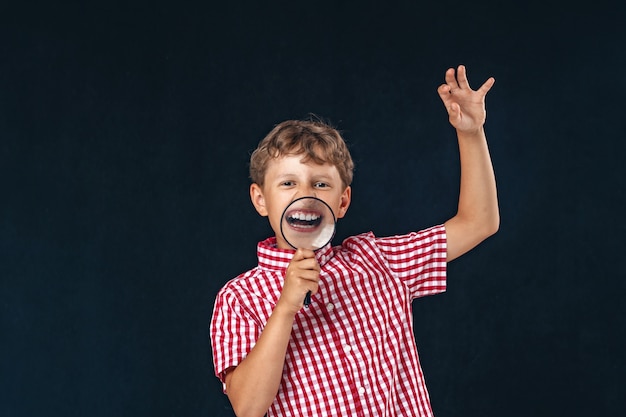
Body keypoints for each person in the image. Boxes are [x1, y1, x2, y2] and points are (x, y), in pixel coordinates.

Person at [210, 65, 499, 417]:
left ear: (342, 202)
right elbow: (248, 407)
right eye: (288, 183)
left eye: (321, 184)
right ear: (260, 199)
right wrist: (284, 308)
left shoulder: (379, 261)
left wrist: (471, 133)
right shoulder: (240, 298)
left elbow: (478, 222)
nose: (306, 194)